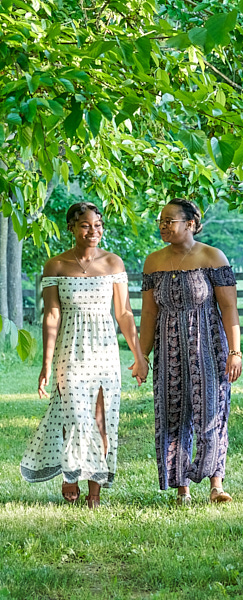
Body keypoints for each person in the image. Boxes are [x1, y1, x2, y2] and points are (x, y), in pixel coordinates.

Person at [20, 202, 148, 508]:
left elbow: (124, 313)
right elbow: (52, 315)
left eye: (98, 226)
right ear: (72, 228)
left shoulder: (113, 263)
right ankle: (70, 474)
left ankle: (95, 491)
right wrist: (46, 364)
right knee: (74, 416)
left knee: (101, 420)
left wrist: (139, 355)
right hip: (70, 350)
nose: (94, 231)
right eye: (86, 225)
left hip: (104, 351)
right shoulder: (56, 265)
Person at [136, 198, 242, 505]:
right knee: (172, 414)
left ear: (191, 224)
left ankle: (216, 484)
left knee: (210, 411)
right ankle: (182, 487)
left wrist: (235, 351)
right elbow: (148, 314)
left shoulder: (212, 256)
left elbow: (229, 306)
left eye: (171, 221)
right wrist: (142, 356)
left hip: (208, 347)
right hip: (169, 350)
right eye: (161, 221)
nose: (164, 226)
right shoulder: (153, 261)